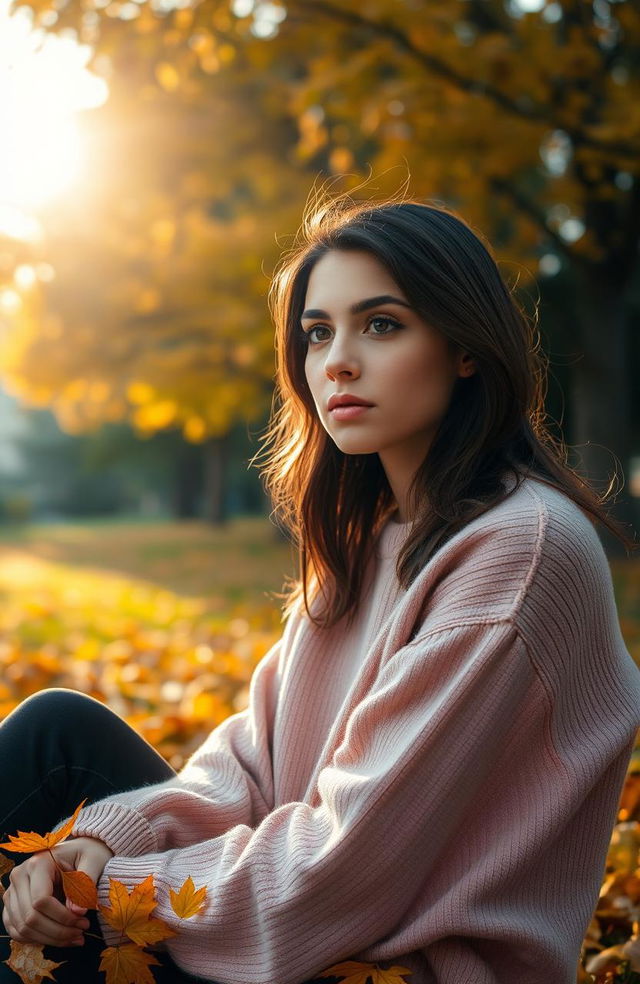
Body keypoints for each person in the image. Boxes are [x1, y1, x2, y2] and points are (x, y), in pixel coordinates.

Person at [1, 195, 639, 984]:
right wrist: (100, 839)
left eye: (381, 324)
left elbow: (339, 874)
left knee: (32, 948)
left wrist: (104, 891)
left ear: (465, 347)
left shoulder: (519, 550)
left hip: (390, 964)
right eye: (317, 332)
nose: (337, 360)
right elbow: (253, 761)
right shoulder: (372, 536)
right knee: (56, 731)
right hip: (319, 927)